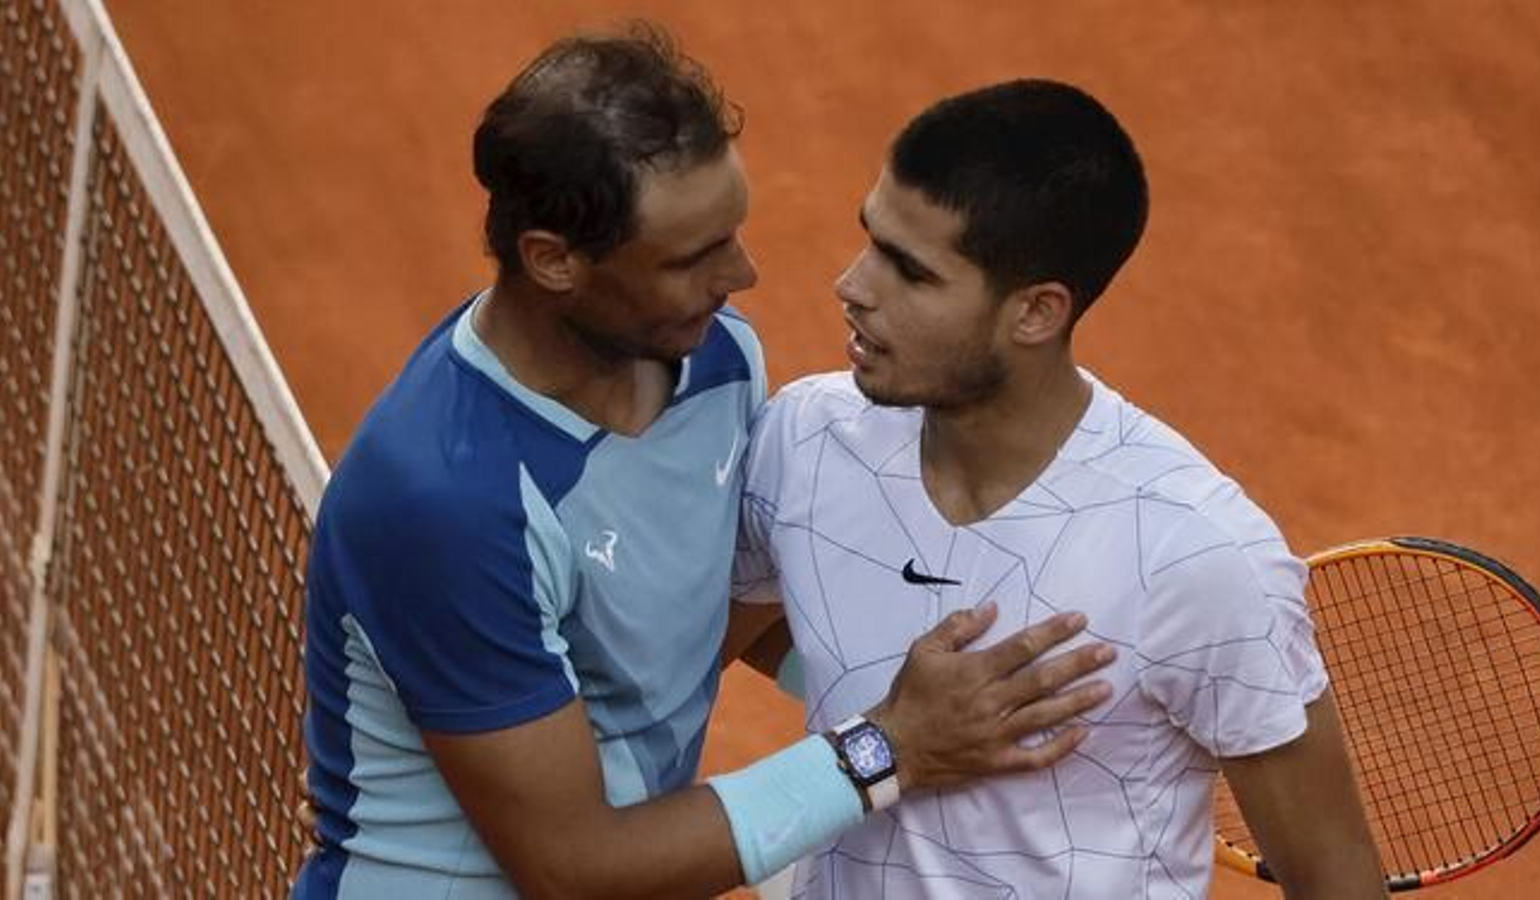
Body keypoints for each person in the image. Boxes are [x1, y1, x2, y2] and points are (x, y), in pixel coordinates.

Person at [294, 27, 1118, 899]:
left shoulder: (715, 362)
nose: (744, 273)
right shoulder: (446, 501)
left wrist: (977, 710)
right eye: (694, 258)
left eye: (732, 232)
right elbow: (572, 867)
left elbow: (706, 622)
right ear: (554, 261)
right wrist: (892, 744)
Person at [732, 80, 1386, 898]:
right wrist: (909, 724)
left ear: (1037, 312)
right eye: (871, 239)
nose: (853, 285)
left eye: (911, 272)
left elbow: (1336, 884)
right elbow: (682, 664)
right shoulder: (806, 442)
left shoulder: (1197, 555)